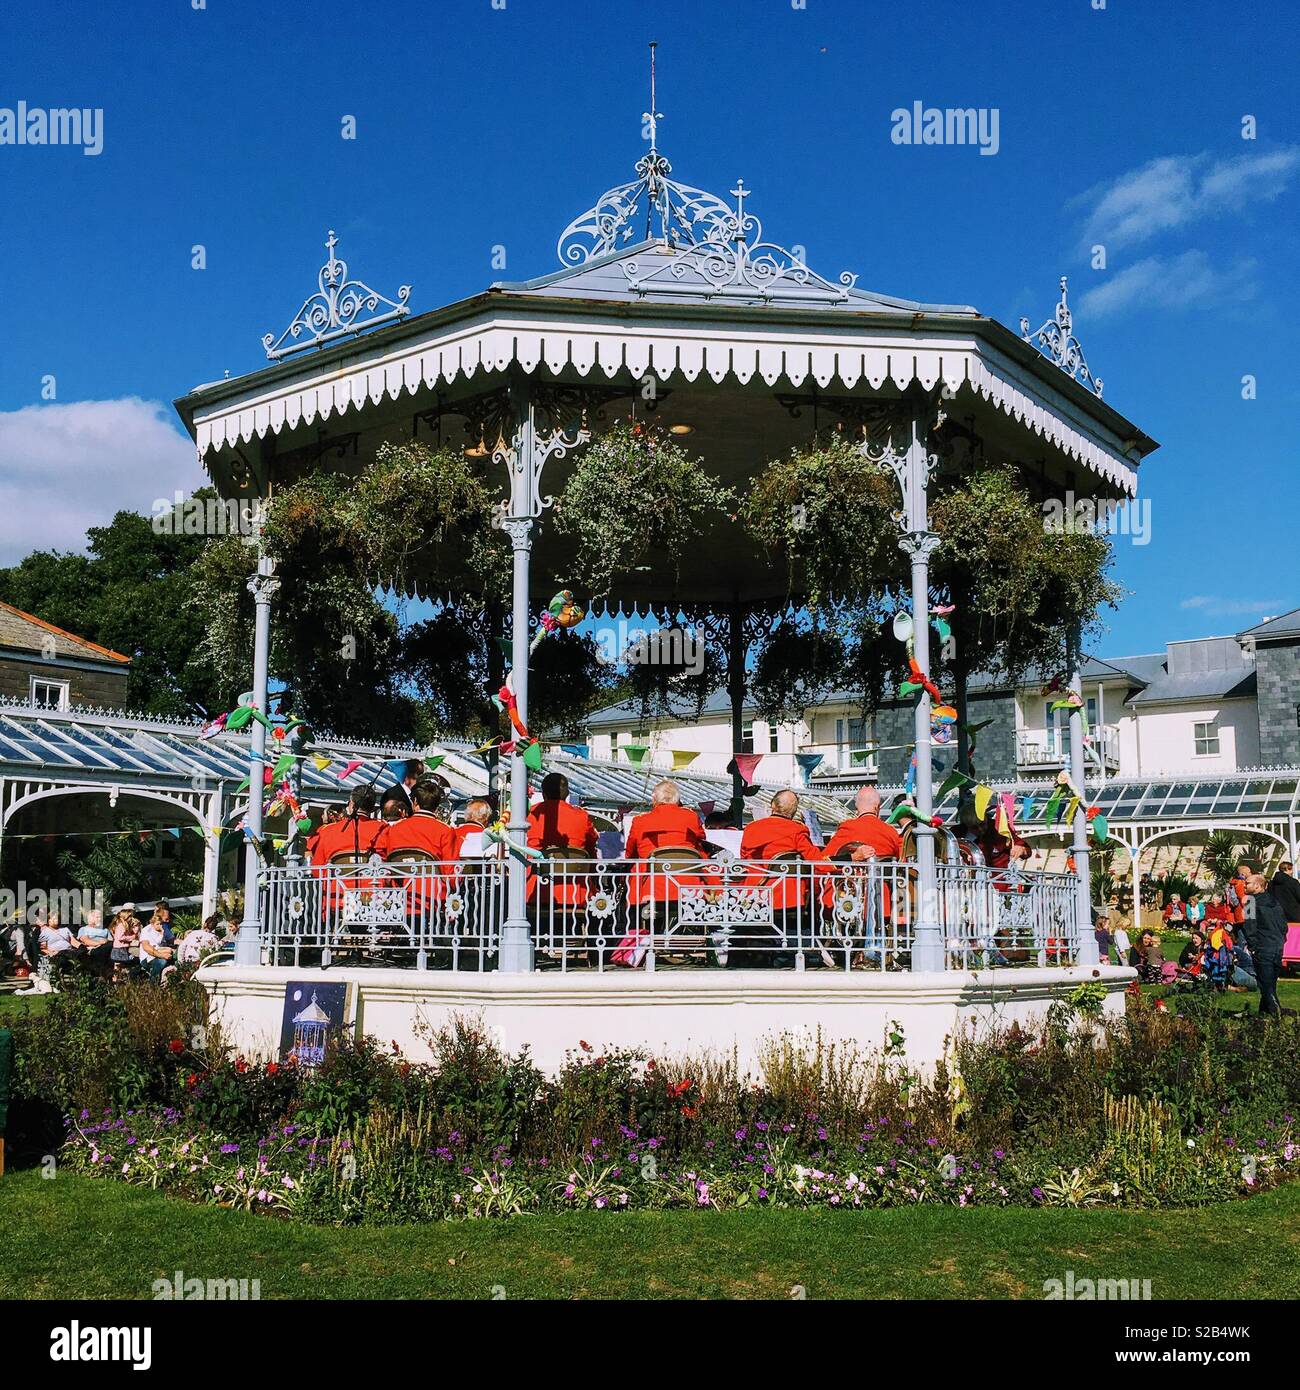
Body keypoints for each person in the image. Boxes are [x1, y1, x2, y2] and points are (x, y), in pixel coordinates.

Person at [738, 789, 824, 967]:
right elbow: (815, 859)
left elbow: (745, 858)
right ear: (793, 812)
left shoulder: (752, 828)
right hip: (787, 895)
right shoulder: (797, 829)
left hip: (757, 893)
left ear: (772, 806)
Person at [623, 781, 709, 911]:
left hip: (651, 885)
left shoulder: (640, 821)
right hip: (687, 885)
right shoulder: (690, 816)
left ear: (654, 799)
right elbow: (702, 838)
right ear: (678, 800)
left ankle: (639, 926)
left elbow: (630, 854)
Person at [1243, 872, 1288, 1017]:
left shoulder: (1250, 901)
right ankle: (1263, 1013)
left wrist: (1253, 947)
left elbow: (1249, 927)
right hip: (1277, 946)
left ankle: (1277, 1012)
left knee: (1265, 983)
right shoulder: (1274, 900)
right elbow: (1284, 925)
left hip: (1263, 946)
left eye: (1247, 883)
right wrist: (1281, 940)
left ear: (1257, 886)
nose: (1244, 885)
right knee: (1269, 981)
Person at [527, 773, 598, 857]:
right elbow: (591, 845)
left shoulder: (532, 813)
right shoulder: (582, 816)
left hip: (537, 867)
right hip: (574, 868)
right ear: (567, 793)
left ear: (543, 794)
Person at [75, 908, 113, 977]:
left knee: (112, 946)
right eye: (97, 917)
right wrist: (100, 943)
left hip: (106, 948)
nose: (100, 919)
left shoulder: (105, 930)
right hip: (93, 950)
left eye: (100, 917)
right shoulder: (84, 929)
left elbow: (111, 941)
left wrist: (106, 942)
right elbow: (86, 941)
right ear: (90, 919)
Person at [138, 912, 175, 981]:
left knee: (174, 954)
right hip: (149, 955)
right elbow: (146, 947)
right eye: (158, 924)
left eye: (161, 923)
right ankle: (153, 981)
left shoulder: (162, 929)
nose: (160, 925)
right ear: (152, 924)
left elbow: (171, 940)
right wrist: (161, 955)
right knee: (162, 961)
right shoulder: (147, 930)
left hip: (159, 950)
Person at [110, 908, 140, 979]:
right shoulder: (121, 926)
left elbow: (135, 932)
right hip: (119, 948)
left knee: (120, 965)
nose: (131, 918)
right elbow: (120, 937)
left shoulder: (125, 925)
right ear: (125, 918)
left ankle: (119, 978)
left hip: (122, 948)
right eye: (129, 917)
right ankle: (116, 979)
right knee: (118, 965)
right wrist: (131, 937)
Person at [1269, 859, 1300, 923]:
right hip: (1294, 912)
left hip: (1278, 913)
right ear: (1287, 869)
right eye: (1291, 869)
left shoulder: (1272, 883)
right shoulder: (1293, 882)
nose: (1292, 872)